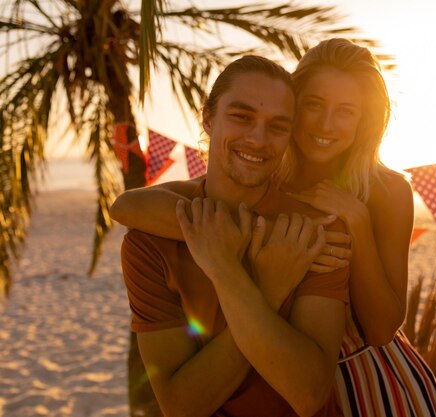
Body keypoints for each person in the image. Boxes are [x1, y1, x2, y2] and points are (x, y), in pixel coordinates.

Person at [113, 39, 436, 417]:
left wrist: (356, 222)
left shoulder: (384, 191)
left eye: (345, 111)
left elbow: (381, 329)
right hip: (274, 357)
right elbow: (129, 206)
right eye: (313, 105)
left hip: (364, 371)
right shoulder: (264, 171)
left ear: (364, 121)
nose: (326, 123)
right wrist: (283, 232)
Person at [119, 55, 350, 416]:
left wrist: (228, 268)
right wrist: (266, 288)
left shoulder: (318, 232)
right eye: (241, 117)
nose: (258, 139)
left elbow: (308, 395)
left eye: (277, 126)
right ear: (208, 118)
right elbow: (181, 407)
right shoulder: (148, 242)